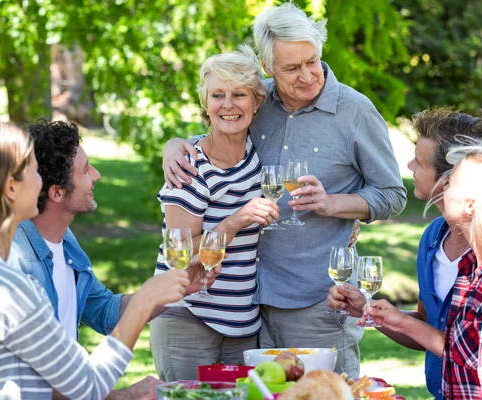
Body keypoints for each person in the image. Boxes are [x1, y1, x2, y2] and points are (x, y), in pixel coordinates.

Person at [161, 3, 406, 378]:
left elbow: (393, 194)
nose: (309, 75)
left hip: (318, 300)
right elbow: (221, 133)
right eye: (292, 68)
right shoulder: (259, 101)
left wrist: (332, 203)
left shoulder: (355, 112)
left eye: (313, 61)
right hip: (252, 301)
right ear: (267, 67)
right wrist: (177, 144)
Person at [328, 107, 482, 399]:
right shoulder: (440, 246)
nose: (410, 165)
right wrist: (372, 310)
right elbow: (453, 342)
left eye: (420, 162)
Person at [0, 122, 189, 399]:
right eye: (34, 171)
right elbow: (85, 387)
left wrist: (169, 291)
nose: (41, 181)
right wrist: (143, 302)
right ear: (11, 188)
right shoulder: (10, 285)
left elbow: (99, 312)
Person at [149, 45, 280, 381]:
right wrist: (236, 220)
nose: (228, 105)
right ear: (205, 104)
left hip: (243, 323)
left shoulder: (257, 155)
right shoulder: (189, 167)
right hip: (187, 316)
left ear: (257, 102)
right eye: (217, 95)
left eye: (239, 94)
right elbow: (178, 253)